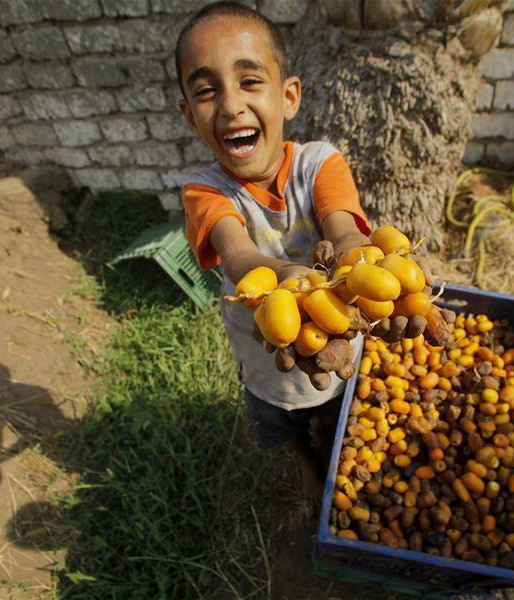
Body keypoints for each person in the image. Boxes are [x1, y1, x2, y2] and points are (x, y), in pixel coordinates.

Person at [174, 2, 371, 500]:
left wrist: (359, 259)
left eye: (250, 81)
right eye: (206, 90)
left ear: (289, 97)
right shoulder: (205, 191)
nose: (231, 105)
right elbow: (238, 256)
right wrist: (289, 274)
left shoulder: (320, 163)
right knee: (281, 421)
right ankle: (304, 459)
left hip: (338, 343)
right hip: (267, 361)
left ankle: (326, 447)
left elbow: (344, 229)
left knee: (336, 411)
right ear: (189, 116)